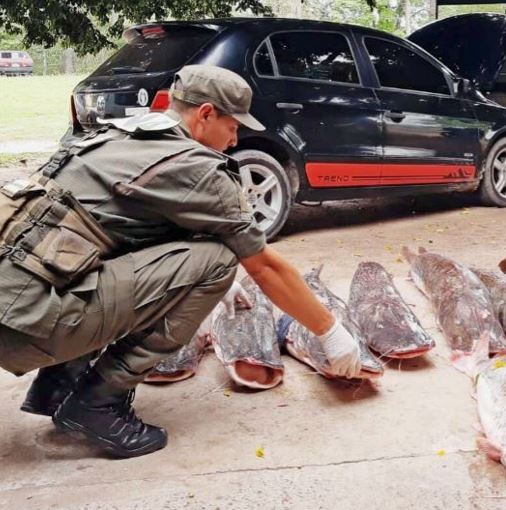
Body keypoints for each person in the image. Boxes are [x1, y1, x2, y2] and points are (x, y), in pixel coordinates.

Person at [0, 65, 362, 458]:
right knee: (219, 261)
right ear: (205, 114)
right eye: (233, 126)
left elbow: (125, 231)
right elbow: (265, 266)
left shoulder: (113, 137)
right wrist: (328, 330)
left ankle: (57, 386)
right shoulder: (196, 168)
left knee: (117, 251)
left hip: (17, 303)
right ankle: (97, 404)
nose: (235, 139)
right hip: (25, 326)